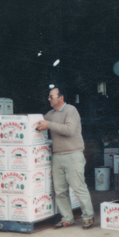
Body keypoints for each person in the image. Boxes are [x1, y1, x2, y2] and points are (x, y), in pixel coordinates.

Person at [37, 86, 94, 229]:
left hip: (73, 154)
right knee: (60, 190)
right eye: (49, 97)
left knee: (78, 187)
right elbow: (39, 122)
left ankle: (88, 216)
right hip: (58, 156)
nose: (49, 99)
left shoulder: (71, 110)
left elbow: (69, 130)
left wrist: (48, 125)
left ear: (61, 98)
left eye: (51, 96)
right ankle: (67, 218)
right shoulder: (50, 114)